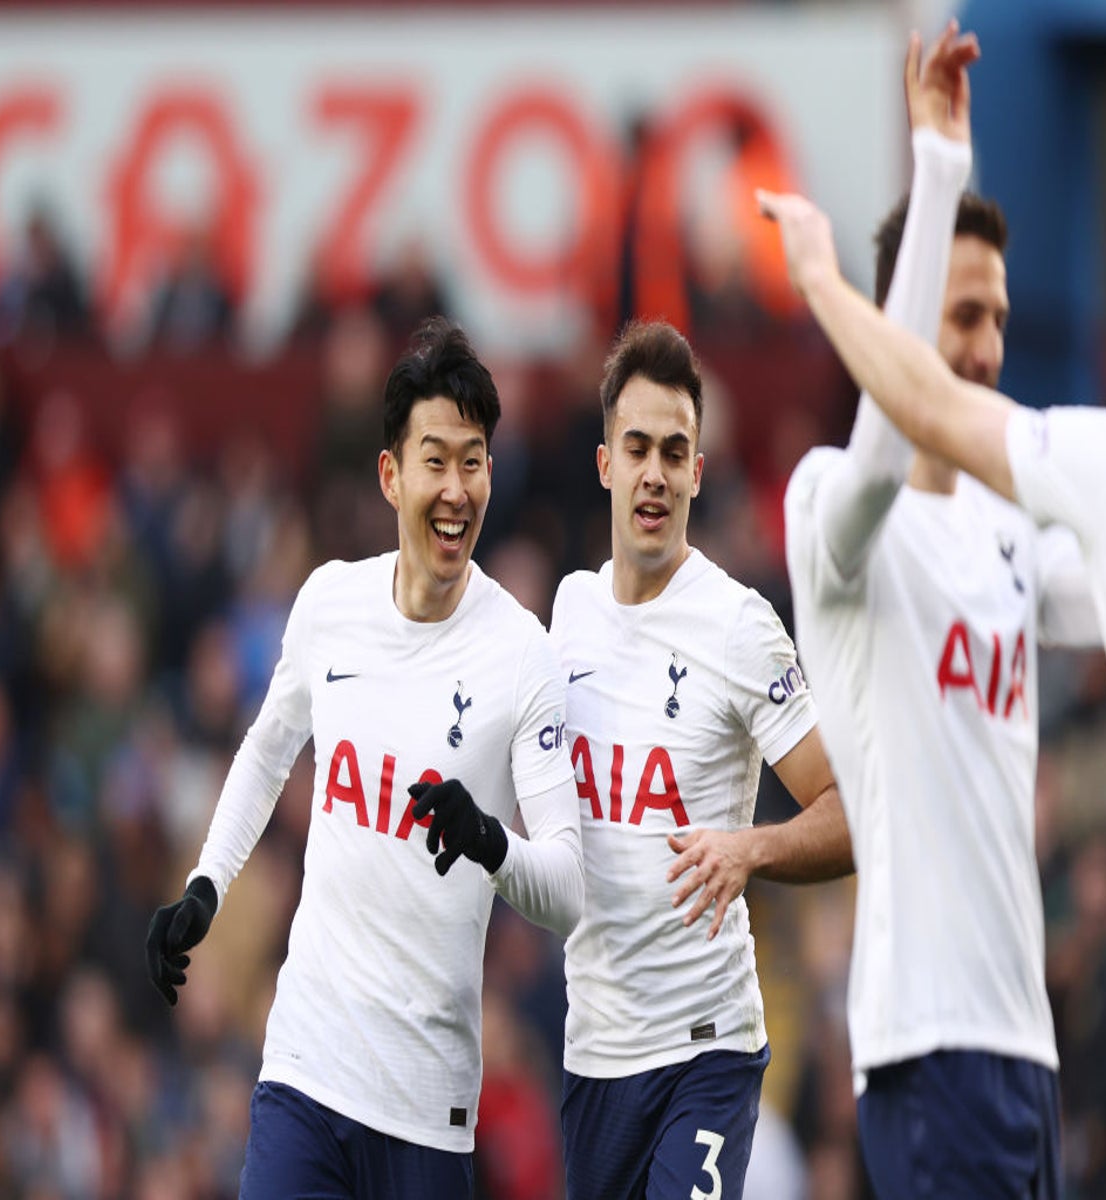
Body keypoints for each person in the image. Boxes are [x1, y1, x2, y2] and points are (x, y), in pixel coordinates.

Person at [758, 48, 1106, 1200]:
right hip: (925, 1042)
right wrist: (938, 167)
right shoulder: (837, 511)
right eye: (963, 315)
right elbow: (895, 426)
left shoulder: (1009, 539)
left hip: (1026, 1049)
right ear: (897, 325)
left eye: (998, 317)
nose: (989, 347)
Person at [145, 317, 584, 1200]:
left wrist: (488, 840)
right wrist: (206, 886)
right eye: (436, 459)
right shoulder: (329, 604)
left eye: (473, 461)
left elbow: (569, 890)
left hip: (426, 1108)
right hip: (306, 1068)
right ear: (391, 474)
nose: (456, 487)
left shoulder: (521, 655)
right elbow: (268, 752)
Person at [549, 317, 854, 1200]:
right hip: (594, 1051)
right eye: (636, 447)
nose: (654, 472)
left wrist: (749, 848)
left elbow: (848, 812)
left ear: (697, 473)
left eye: (674, 452)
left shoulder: (739, 626)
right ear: (605, 463)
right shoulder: (567, 614)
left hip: (706, 1048)